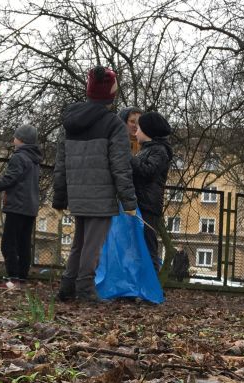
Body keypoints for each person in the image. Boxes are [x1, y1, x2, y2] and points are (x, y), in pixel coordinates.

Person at [52, 66, 138, 302]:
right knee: (93, 244)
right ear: (109, 94)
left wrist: (59, 197)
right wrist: (129, 201)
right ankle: (85, 288)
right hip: (101, 195)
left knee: (79, 242)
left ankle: (67, 287)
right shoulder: (114, 125)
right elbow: (121, 166)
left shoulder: (69, 124)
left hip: (77, 193)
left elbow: (61, 163)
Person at [0, 124, 42, 288]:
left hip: (17, 206)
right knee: (24, 244)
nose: (13, 140)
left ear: (22, 140)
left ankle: (13, 279)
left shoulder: (19, 157)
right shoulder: (35, 160)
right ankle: (22, 280)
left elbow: (8, 180)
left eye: (16, 137)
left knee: (8, 243)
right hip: (30, 207)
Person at [131, 111, 173, 271]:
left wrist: (129, 159)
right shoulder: (146, 149)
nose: (136, 132)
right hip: (140, 203)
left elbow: (148, 171)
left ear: (148, 132)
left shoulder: (159, 151)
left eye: (139, 128)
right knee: (138, 246)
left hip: (148, 206)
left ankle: (153, 288)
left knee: (148, 247)